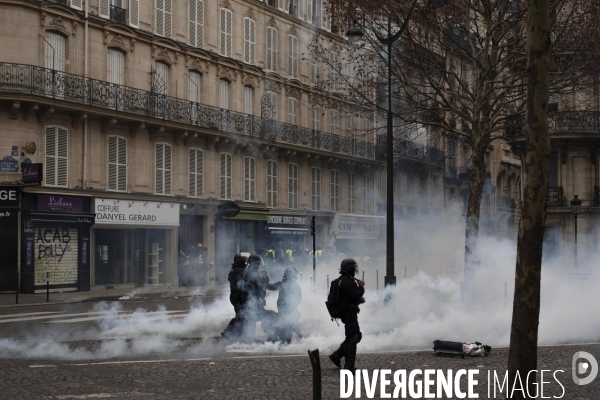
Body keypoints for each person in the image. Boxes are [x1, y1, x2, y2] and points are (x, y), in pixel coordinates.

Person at [328, 258, 365, 372]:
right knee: (352, 338)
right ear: (350, 269)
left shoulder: (343, 279)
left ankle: (337, 355)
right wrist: (361, 286)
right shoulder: (347, 281)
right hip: (348, 313)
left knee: (357, 336)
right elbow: (354, 294)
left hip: (348, 311)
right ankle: (349, 366)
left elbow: (347, 298)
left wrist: (359, 300)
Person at [266, 266, 302, 345]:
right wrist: (293, 304)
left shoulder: (282, 284)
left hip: (283, 309)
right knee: (289, 325)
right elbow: (299, 298)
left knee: (283, 324)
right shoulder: (296, 286)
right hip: (290, 309)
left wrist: (265, 282)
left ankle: (282, 341)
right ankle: (286, 341)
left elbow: (270, 287)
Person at [240, 253, 269, 342]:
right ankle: (251, 338)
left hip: (248, 298)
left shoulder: (247, 270)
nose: (259, 265)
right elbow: (260, 286)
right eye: (257, 263)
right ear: (252, 262)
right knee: (257, 318)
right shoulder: (253, 272)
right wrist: (265, 281)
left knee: (251, 319)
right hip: (252, 298)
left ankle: (250, 337)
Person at [221, 253, 248, 343]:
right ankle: (228, 331)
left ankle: (240, 336)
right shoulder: (240, 270)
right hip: (238, 295)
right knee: (241, 316)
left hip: (234, 295)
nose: (245, 262)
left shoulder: (234, 269)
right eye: (244, 260)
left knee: (242, 316)